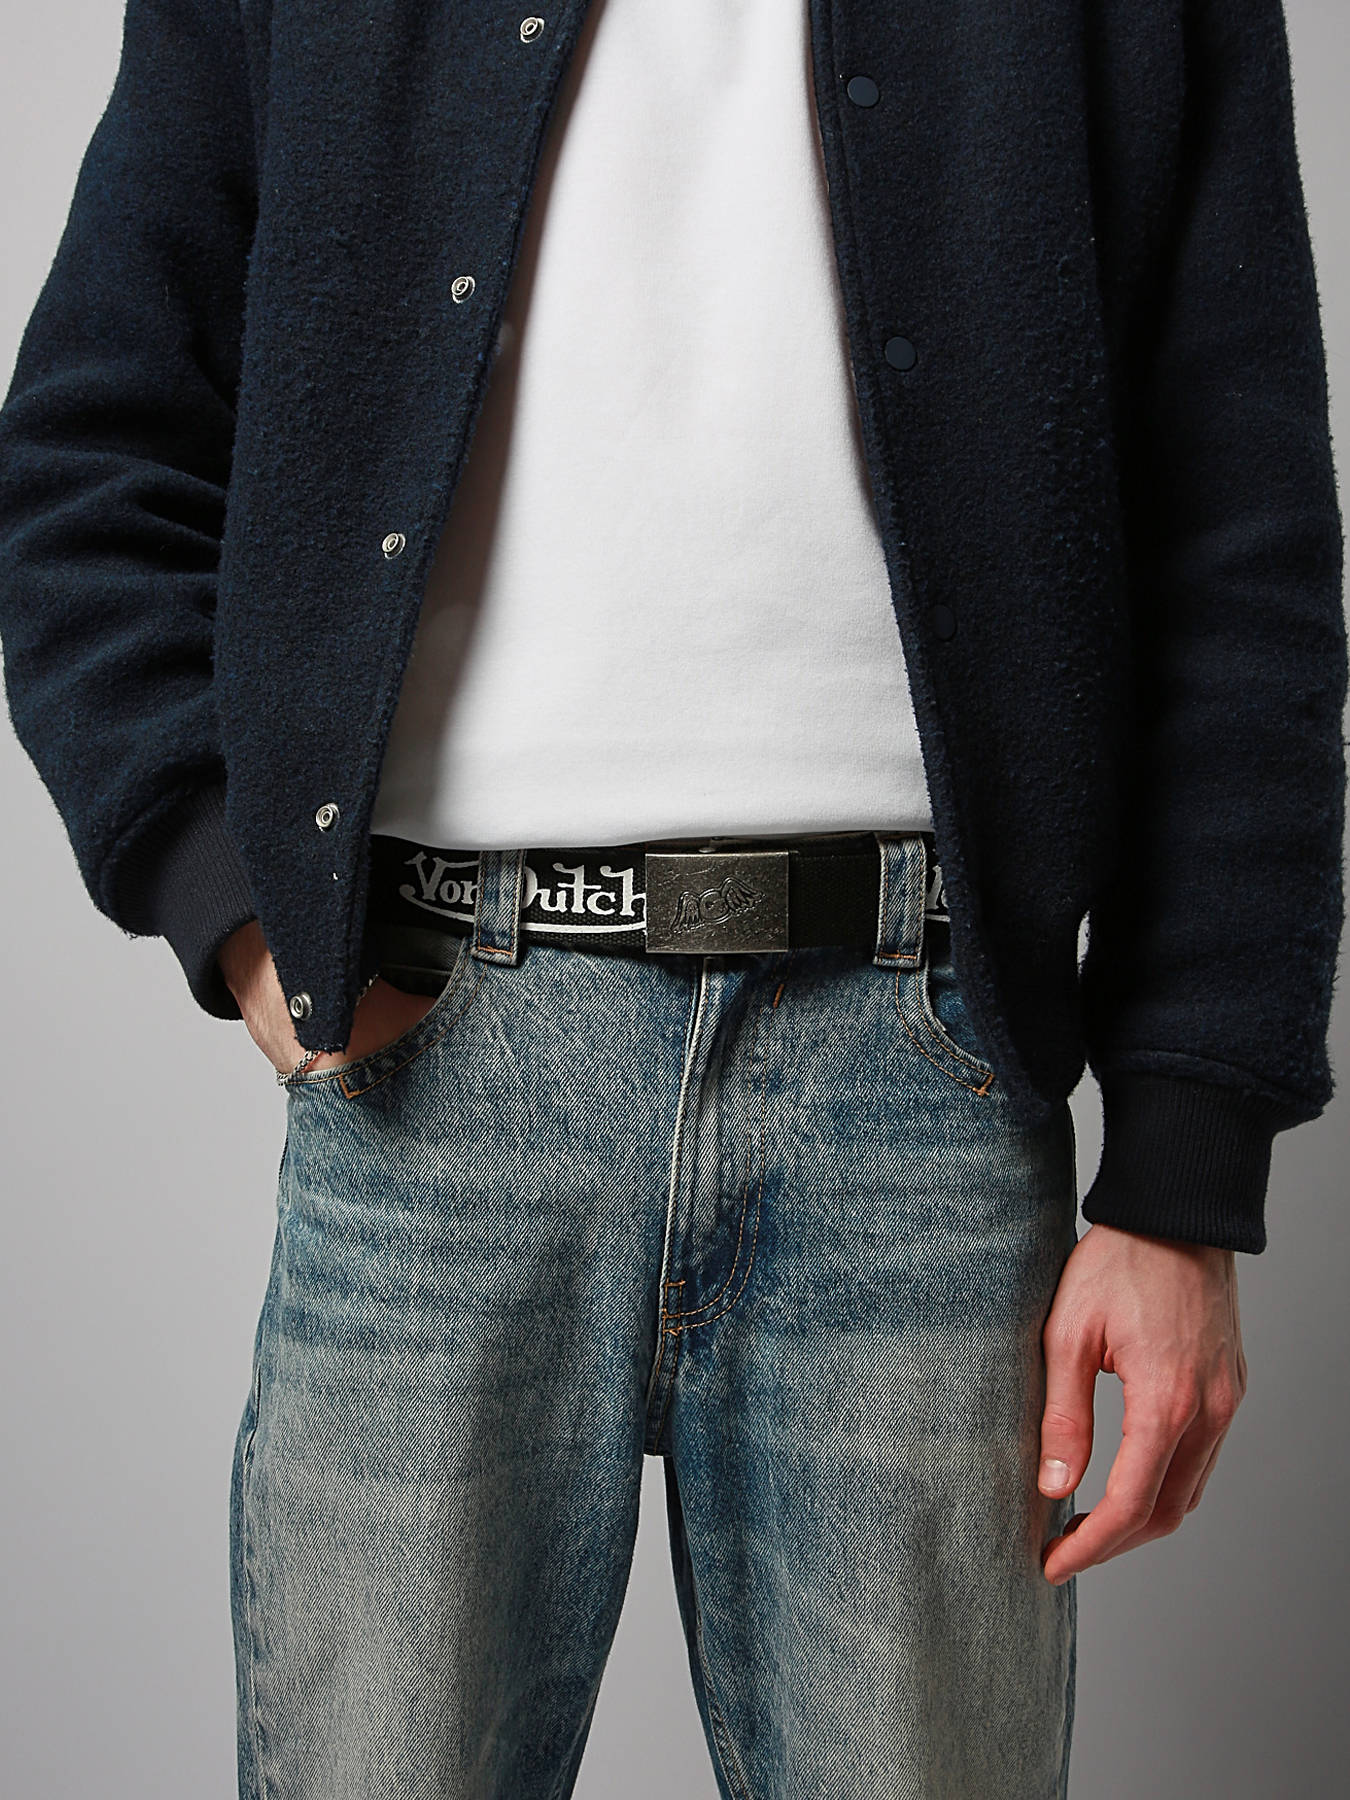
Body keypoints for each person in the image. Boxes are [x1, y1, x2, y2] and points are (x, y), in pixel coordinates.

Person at [0, 0, 1342, 1794]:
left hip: (920, 1089)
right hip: (436, 1076)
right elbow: (90, 456)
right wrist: (232, 902)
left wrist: (1184, 1168)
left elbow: (1240, 540)